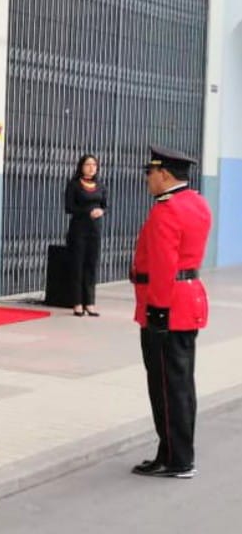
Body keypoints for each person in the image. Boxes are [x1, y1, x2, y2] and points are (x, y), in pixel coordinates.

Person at [130, 145, 211, 480]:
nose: (148, 179)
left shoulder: (167, 210)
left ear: (164, 174)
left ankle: (177, 459)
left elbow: (164, 265)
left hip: (166, 305)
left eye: (150, 173)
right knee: (180, 384)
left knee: (164, 385)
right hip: (188, 300)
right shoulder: (197, 202)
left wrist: (157, 311)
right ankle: (173, 452)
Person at [64, 154, 107, 316]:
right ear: (81, 166)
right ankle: (77, 303)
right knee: (78, 265)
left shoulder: (101, 186)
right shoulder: (74, 185)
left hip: (95, 230)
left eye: (94, 165)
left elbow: (106, 206)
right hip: (79, 229)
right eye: (88, 164)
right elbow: (69, 207)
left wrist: (101, 211)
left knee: (91, 265)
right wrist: (88, 211)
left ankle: (90, 302)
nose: (91, 168)